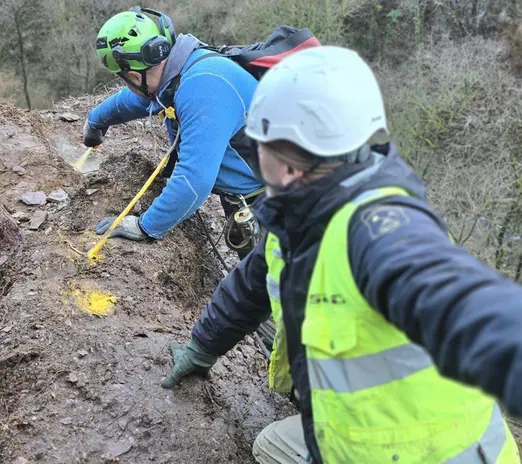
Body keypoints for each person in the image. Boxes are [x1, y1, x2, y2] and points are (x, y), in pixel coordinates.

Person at [160, 45, 522, 463]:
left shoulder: (381, 230)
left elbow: (462, 303)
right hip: (364, 441)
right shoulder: (299, 215)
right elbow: (249, 288)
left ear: (288, 162)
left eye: (258, 149)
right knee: (271, 446)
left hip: (443, 453)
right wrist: (201, 349)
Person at [84, 7, 265, 259]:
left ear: (135, 76)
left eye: (125, 80)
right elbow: (138, 100)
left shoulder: (202, 88)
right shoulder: (180, 70)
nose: (129, 86)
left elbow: (194, 180)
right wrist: (96, 122)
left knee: (284, 286)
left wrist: (145, 225)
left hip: (291, 203)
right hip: (261, 191)